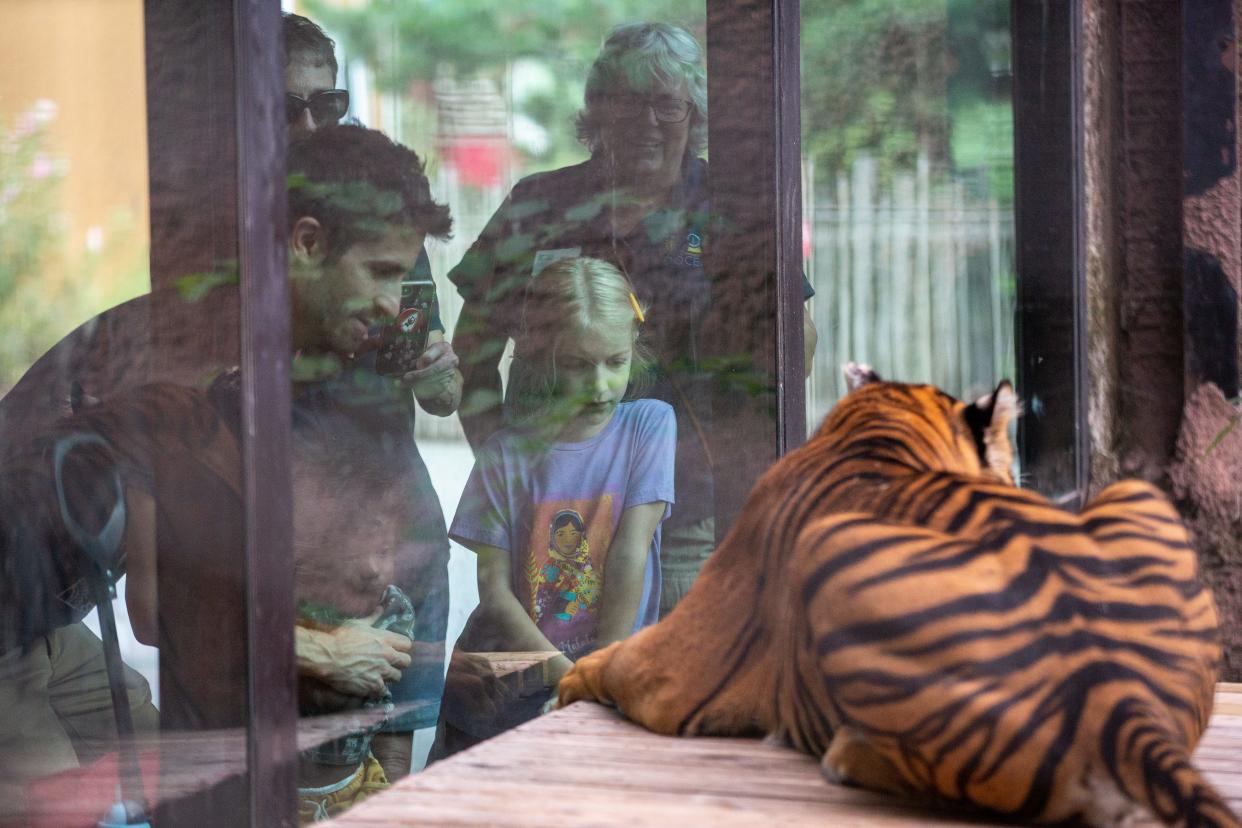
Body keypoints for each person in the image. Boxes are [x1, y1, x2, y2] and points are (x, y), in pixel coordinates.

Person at [450, 22, 818, 619]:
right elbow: (471, 355)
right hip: (558, 514)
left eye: (666, 104)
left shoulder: (731, 203)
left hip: (688, 517)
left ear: (693, 112)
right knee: (557, 690)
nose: (645, 122)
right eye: (625, 101)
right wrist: (506, 468)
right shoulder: (539, 204)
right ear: (598, 110)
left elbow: (796, 353)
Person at [449, 257, 675, 711]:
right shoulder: (504, 454)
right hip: (506, 695)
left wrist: (600, 675)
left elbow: (631, 550)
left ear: (635, 344)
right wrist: (571, 678)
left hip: (606, 682)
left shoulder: (649, 425)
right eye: (577, 364)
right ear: (542, 354)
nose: (600, 385)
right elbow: (494, 592)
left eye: (616, 362)